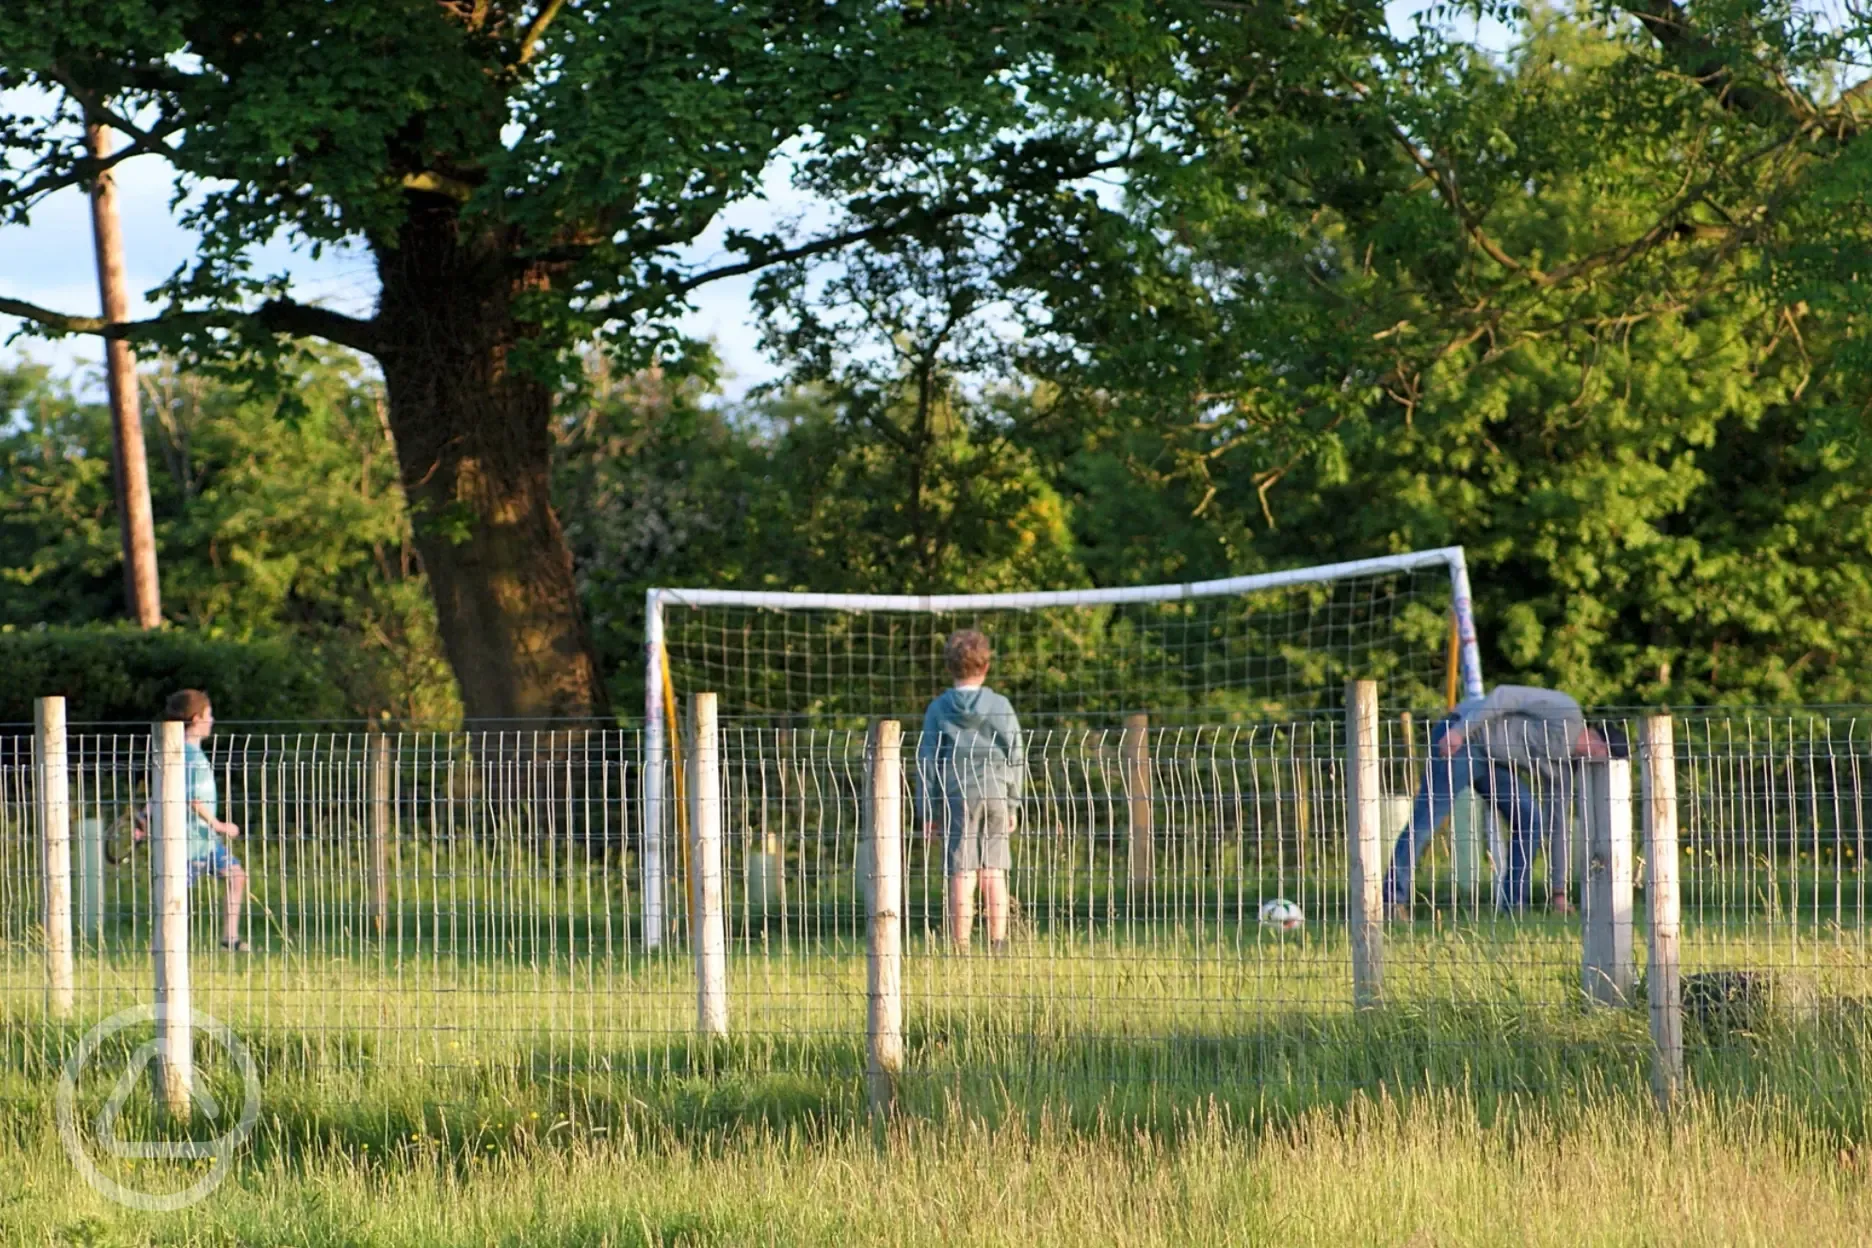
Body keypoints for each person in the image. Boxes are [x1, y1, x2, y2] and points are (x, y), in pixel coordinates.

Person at [1384, 684, 1627, 916]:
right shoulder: (1566, 710)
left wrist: (1559, 892)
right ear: (1599, 744)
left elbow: (1557, 827)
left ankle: (1514, 908)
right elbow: (1504, 696)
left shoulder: (1562, 772)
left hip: (1493, 763)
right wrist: (1459, 731)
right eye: (1606, 761)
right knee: (1428, 819)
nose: (1601, 768)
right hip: (1464, 738)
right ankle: (1392, 901)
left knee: (1530, 819)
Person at [917, 629, 1024, 954]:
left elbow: (927, 761)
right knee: (994, 870)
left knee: (961, 870)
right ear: (986, 665)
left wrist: (928, 811)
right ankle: (997, 944)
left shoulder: (938, 708)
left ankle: (960, 946)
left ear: (949, 667)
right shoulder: (1000, 705)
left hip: (955, 793)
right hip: (995, 790)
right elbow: (1015, 753)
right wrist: (1012, 803)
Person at [137, 690, 249, 950]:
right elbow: (193, 799)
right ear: (197, 718)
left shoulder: (181, 752)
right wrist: (219, 825)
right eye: (209, 715)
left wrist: (143, 818)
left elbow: (162, 792)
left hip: (205, 843)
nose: (212, 720)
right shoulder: (191, 758)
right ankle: (162, 947)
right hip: (188, 844)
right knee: (173, 899)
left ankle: (229, 939)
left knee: (236, 875)